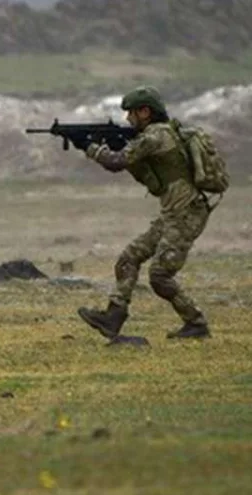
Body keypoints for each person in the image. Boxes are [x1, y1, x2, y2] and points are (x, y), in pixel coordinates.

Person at [76, 86, 212, 340]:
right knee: (128, 259)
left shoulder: (155, 137)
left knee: (160, 276)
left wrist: (89, 146)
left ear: (145, 112)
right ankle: (113, 318)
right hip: (174, 214)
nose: (128, 119)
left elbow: (116, 162)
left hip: (186, 214)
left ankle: (196, 323)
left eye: (132, 114)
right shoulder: (157, 134)